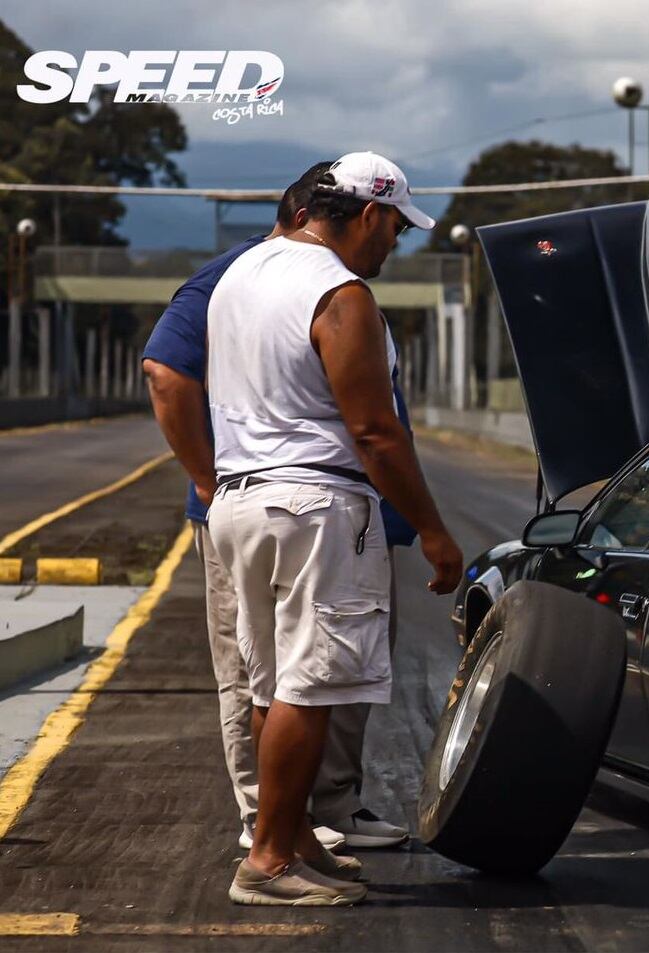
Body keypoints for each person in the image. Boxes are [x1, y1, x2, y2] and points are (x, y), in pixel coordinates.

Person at [205, 151, 463, 905]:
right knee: (313, 687)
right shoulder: (341, 293)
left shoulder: (242, 274)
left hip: (239, 500)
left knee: (272, 684)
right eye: (396, 229)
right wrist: (433, 531)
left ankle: (290, 840)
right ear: (371, 214)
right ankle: (269, 862)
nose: (394, 245)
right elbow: (375, 432)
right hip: (314, 506)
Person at [141, 163, 414, 854]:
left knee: (322, 675)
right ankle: (269, 828)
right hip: (294, 501)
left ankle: (324, 814)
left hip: (323, 504)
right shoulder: (250, 279)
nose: (395, 245)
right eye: (394, 227)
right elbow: (165, 371)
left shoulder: (309, 285)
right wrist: (208, 478)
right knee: (275, 676)